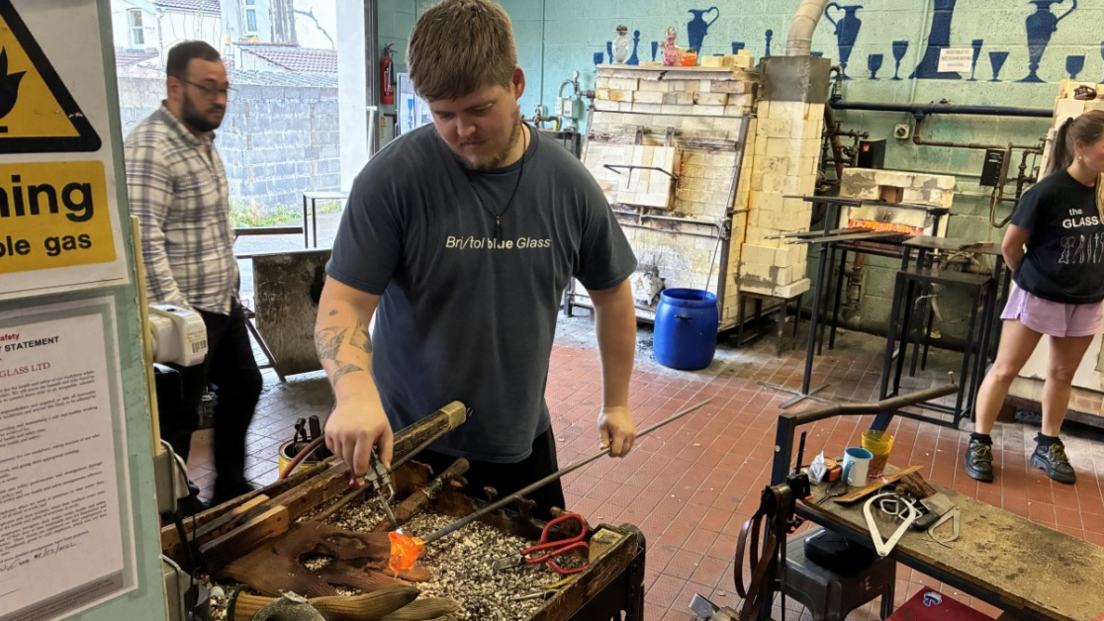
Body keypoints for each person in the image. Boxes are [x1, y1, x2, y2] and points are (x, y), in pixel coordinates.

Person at [316, 0, 639, 516]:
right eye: (443, 114)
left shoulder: (568, 185)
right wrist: (352, 391)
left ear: (515, 83)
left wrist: (617, 401)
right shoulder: (392, 181)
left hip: (521, 445)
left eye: (479, 109)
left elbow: (612, 295)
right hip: (408, 446)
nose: (462, 130)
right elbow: (344, 304)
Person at [126, 41, 261, 512]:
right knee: (179, 419)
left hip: (221, 304)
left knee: (246, 385)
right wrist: (180, 320)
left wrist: (233, 293)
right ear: (173, 85)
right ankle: (173, 510)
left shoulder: (202, 142)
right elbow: (144, 243)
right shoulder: (150, 149)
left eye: (224, 89)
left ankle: (230, 484)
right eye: (208, 88)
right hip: (184, 315)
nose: (219, 99)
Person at [964, 110, 1104, 485]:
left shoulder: (1103, 192)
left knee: (1062, 374)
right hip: (1039, 295)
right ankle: (979, 440)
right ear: (1081, 148)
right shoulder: (1047, 192)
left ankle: (1048, 442)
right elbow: (1011, 246)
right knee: (1006, 369)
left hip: (1088, 300)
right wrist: (1031, 281)